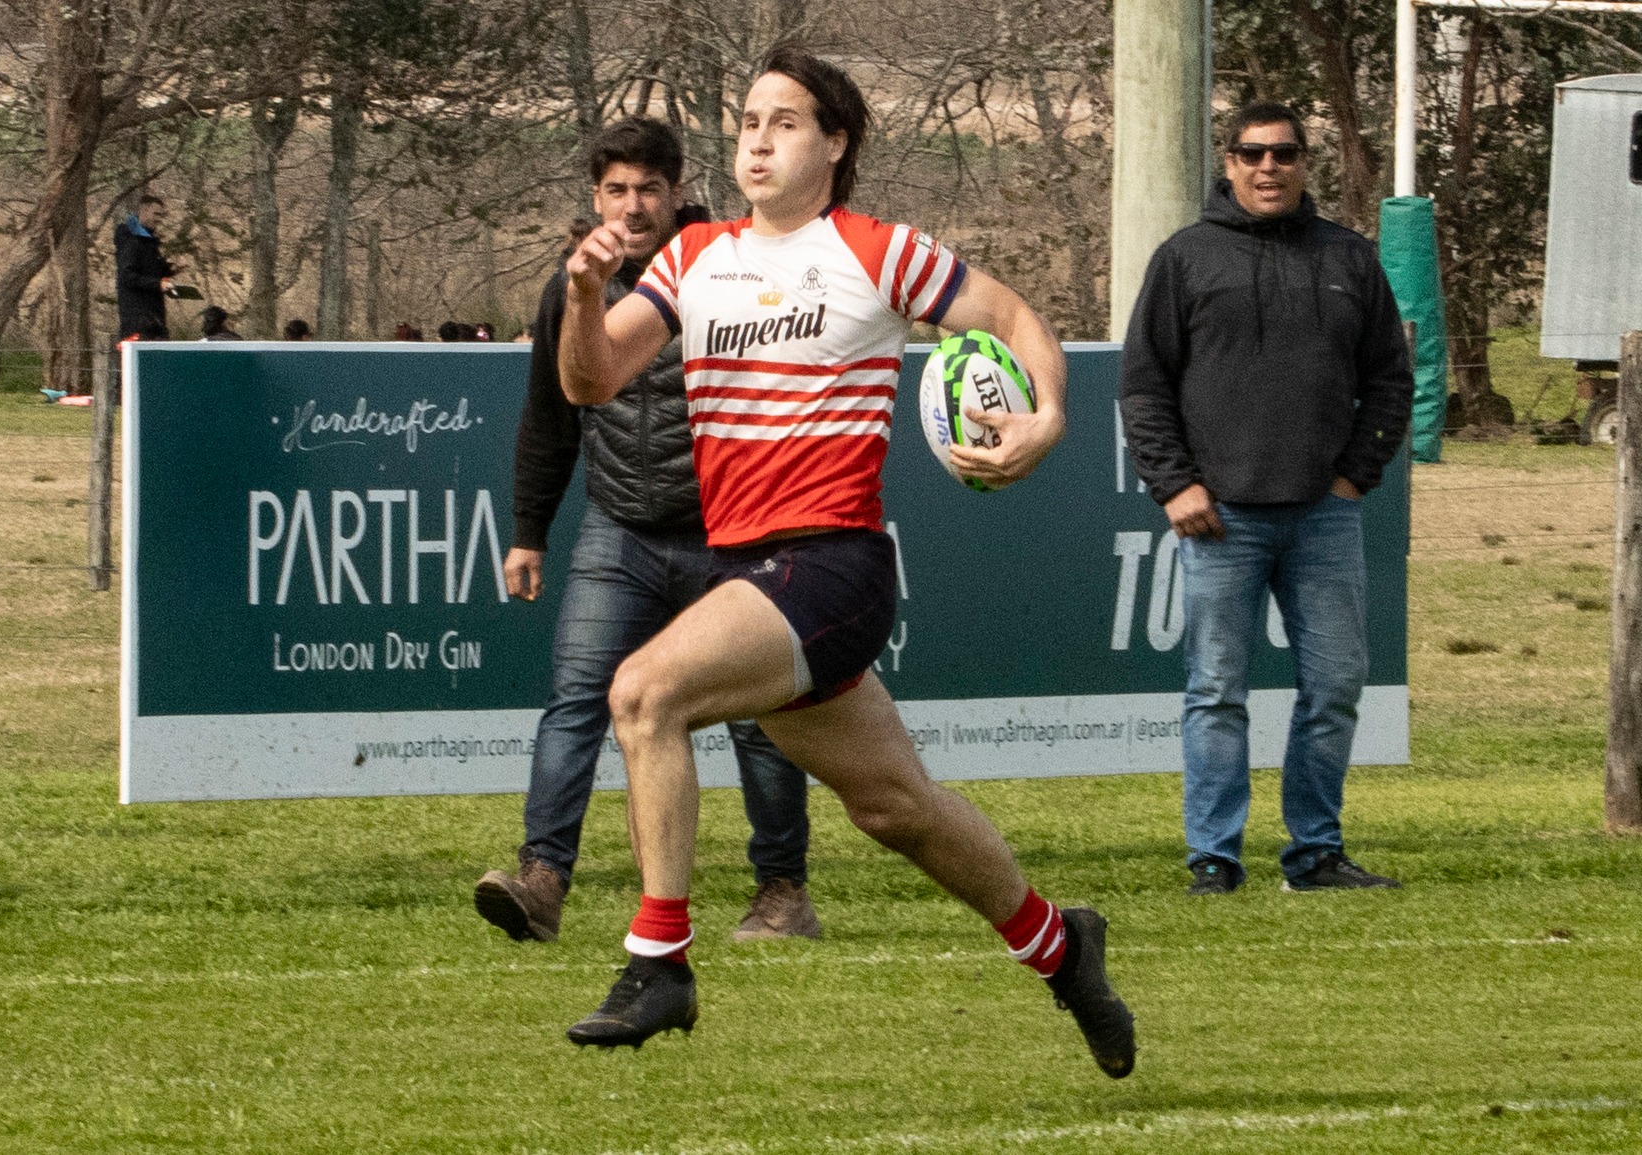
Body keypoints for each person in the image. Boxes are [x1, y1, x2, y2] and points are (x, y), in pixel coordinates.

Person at [553, 49, 1135, 1078]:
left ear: (835, 143)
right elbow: (592, 382)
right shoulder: (691, 259)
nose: (758, 140)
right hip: (754, 579)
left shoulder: (874, 251)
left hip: (829, 567)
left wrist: (1045, 419)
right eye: (746, 122)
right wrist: (584, 293)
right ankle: (1058, 944)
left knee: (641, 694)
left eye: (783, 122)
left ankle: (658, 963)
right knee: (895, 811)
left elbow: (1010, 317)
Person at [475, 116, 822, 949]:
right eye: (616, 191)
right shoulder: (574, 286)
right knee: (576, 702)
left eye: (649, 191)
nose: (632, 207)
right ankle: (542, 880)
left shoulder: (731, 269)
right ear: (596, 197)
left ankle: (782, 893)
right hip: (618, 531)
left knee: (762, 718)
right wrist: (530, 531)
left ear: (677, 193)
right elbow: (550, 415)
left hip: (731, 533)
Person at [1118, 102, 1414, 897]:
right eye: (1252, 154)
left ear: (1305, 162)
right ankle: (1214, 858)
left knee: (1336, 687)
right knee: (1216, 690)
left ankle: (1315, 854)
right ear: (1230, 162)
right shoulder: (1185, 258)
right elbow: (1144, 387)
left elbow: (1390, 380)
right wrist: (1174, 485)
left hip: (1324, 514)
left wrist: (1354, 477)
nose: (1268, 168)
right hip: (1222, 520)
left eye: (1284, 153)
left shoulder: (1348, 258)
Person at [115, 195, 175, 341]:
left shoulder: (148, 241)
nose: (159, 219)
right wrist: (158, 284)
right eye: (156, 214)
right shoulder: (131, 240)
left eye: (161, 215)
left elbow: (149, 271)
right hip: (138, 321)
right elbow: (127, 276)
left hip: (155, 319)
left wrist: (170, 270)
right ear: (143, 210)